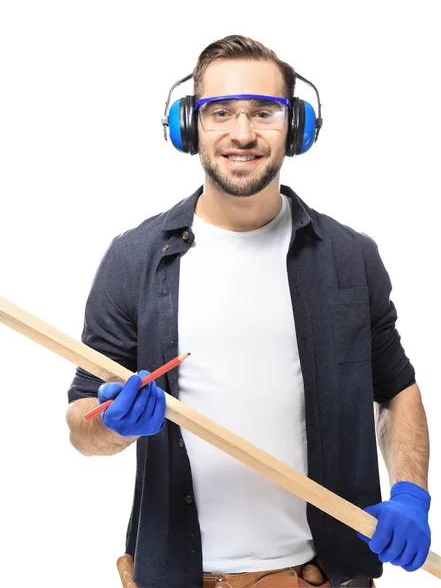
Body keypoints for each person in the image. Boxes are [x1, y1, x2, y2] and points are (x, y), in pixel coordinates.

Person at [66, 35, 431, 588]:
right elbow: (81, 423)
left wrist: (410, 494)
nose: (242, 133)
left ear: (298, 128)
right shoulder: (134, 258)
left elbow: (397, 389)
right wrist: (113, 426)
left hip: (322, 579)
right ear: (189, 127)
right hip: (180, 577)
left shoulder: (350, 257)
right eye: (220, 113)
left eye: (264, 112)